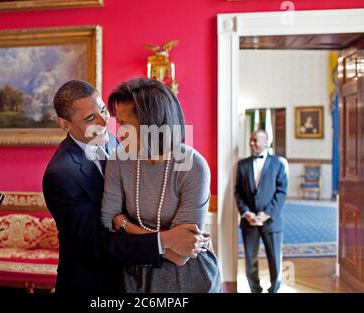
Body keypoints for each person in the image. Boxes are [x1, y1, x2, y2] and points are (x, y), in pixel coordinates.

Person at [42, 80, 210, 294]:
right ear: (64, 124)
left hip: (159, 279)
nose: (105, 122)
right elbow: (96, 243)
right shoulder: (61, 174)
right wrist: (166, 239)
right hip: (94, 282)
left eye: (103, 110)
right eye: (90, 118)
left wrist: (123, 222)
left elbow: (183, 250)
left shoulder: (114, 142)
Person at [100, 78, 221, 293]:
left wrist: (126, 225)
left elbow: (180, 254)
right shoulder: (118, 160)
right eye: (119, 124)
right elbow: (108, 226)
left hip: (188, 278)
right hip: (133, 274)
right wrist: (167, 239)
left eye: (126, 126)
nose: (119, 134)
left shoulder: (194, 166)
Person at [234, 130, 288, 293]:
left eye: (256, 140)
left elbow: (281, 191)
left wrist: (266, 214)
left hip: (271, 221)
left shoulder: (278, 163)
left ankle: (274, 290)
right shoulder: (242, 164)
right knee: (250, 260)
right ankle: (255, 290)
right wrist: (246, 213)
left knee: (274, 259)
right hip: (249, 221)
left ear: (266, 142)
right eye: (251, 141)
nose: (252, 144)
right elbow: (238, 192)